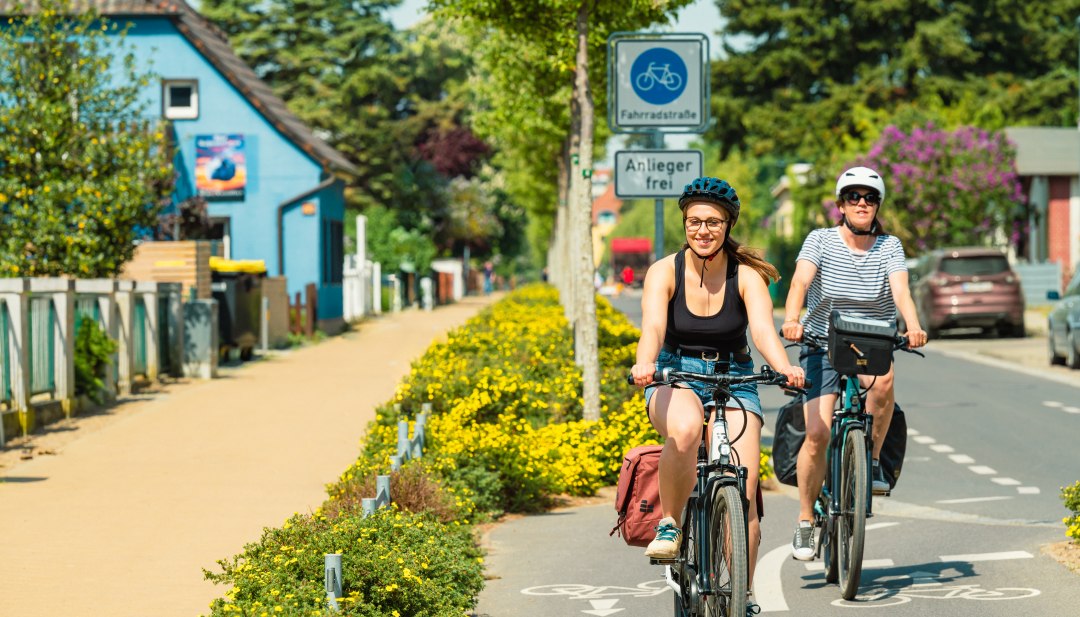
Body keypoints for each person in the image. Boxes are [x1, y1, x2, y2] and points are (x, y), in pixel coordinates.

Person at [629, 177, 805, 612]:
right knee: (686, 430)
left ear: (728, 225)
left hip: (735, 376)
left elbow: (763, 330)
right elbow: (652, 326)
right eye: (694, 221)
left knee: (743, 491)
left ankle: (741, 594)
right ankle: (670, 524)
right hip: (674, 373)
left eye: (713, 222)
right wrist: (644, 362)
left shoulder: (745, 276)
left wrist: (784, 367)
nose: (702, 230)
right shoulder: (663, 271)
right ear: (684, 223)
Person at [780, 166, 928, 561]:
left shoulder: (890, 246)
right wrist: (792, 320)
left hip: (871, 339)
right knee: (817, 432)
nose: (862, 203)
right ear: (841, 205)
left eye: (870, 198)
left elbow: (901, 289)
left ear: (877, 205)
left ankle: (872, 462)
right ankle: (806, 520)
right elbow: (800, 282)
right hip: (821, 339)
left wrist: (913, 326)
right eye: (853, 197)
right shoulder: (820, 240)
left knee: (882, 384)